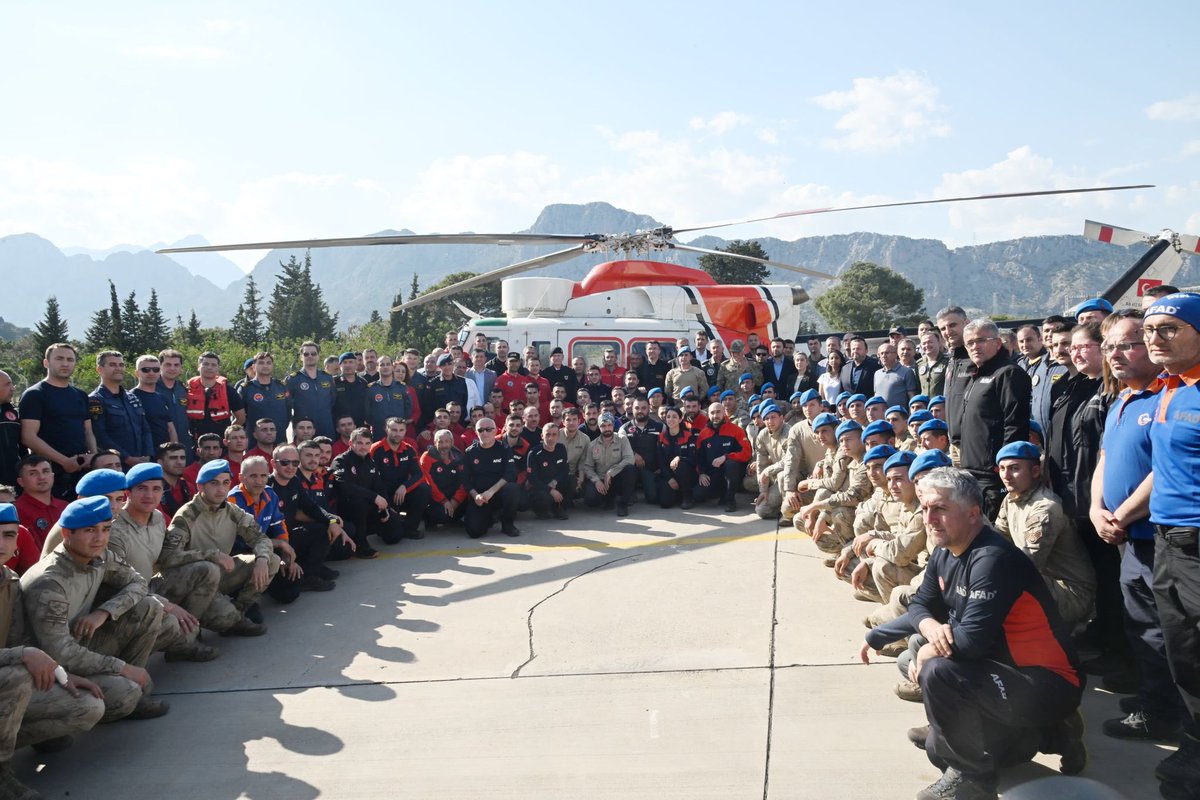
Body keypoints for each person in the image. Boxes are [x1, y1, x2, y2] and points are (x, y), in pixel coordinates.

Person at [863, 468, 1086, 799]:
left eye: (939, 508)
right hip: (1003, 670)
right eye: (924, 509)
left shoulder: (993, 559)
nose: (929, 518)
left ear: (972, 514)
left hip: (1046, 683)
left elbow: (969, 643)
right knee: (913, 664)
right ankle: (1052, 734)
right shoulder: (945, 548)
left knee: (937, 672)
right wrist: (885, 635)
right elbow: (921, 604)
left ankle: (974, 781)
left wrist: (928, 651)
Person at [1090, 310, 1186, 741]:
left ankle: (1166, 712)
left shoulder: (1167, 396)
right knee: (1142, 627)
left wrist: (1123, 513)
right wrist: (1096, 508)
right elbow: (1106, 459)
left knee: (1167, 633)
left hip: (1155, 537)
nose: (1116, 354)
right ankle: (1155, 700)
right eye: (1109, 346)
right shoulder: (1122, 400)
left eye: (1128, 344)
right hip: (1125, 536)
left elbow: (1165, 468)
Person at [22, 496, 170, 722]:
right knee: (124, 695)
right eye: (89, 530)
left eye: (105, 529)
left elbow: (139, 583)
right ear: (66, 534)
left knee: (149, 607)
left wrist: (104, 613)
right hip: (48, 668)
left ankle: (131, 689)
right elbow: (60, 653)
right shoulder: (49, 582)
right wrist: (123, 668)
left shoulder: (99, 555)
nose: (99, 538)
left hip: (79, 644)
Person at [0, 502, 106, 798]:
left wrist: (61, 673)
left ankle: (12, 736)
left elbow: (19, 640)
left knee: (87, 706)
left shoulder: (9, 581)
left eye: (9, 535)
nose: (1, 544)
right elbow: (21, 653)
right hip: (6, 677)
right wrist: (22, 656)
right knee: (17, 676)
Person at [1141, 293, 1200, 795]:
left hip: (1197, 545)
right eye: (1149, 330)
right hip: (1165, 541)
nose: (1155, 339)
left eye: (1169, 329)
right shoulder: (1168, 389)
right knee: (1182, 649)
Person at [160, 460, 280, 636]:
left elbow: (259, 538)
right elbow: (168, 557)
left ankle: (239, 612)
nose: (221, 489)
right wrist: (211, 555)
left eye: (225, 483)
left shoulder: (231, 510)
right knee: (224, 616)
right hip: (192, 582)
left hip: (220, 573)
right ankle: (190, 634)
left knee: (272, 560)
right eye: (214, 483)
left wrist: (262, 558)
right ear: (200, 486)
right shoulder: (187, 515)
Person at [994, 442, 1097, 625]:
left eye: (1014, 469)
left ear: (1035, 472)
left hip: (1070, 592)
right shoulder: (1011, 499)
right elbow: (997, 540)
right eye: (1002, 468)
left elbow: (1028, 566)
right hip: (1045, 581)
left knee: (1004, 584)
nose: (1006, 476)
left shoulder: (1044, 508)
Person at [953, 319, 1031, 519]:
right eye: (969, 343)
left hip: (994, 476)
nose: (974, 347)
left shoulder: (1009, 373)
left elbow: (1015, 424)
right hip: (971, 473)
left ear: (997, 343)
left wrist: (1004, 467)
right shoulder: (974, 376)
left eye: (981, 340)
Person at [19, 343, 97, 500]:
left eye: (70, 359)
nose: (65, 363)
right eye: (59, 358)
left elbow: (88, 431)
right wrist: (64, 461)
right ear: (46, 363)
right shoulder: (34, 394)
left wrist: (93, 456)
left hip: (82, 469)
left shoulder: (80, 395)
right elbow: (28, 436)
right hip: (51, 472)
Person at [370, 418, 431, 541]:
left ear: (405, 431)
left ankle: (410, 528)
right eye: (393, 430)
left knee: (424, 489)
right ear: (386, 429)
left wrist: (404, 487)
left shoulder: (409, 449)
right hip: (383, 498)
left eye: (401, 430)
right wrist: (384, 501)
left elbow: (418, 474)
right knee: (392, 538)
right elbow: (370, 479)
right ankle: (393, 524)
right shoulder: (375, 450)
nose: (397, 433)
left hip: (402, 494)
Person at [462, 417, 520, 538]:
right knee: (474, 532)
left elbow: (511, 474)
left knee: (512, 489)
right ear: (476, 432)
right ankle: (490, 517)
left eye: (489, 429)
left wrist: (491, 491)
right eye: (481, 430)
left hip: (498, 493)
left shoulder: (504, 449)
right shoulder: (469, 452)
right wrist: (475, 495)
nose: (485, 433)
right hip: (480, 497)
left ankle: (507, 524)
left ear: (495, 431)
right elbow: (465, 479)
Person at [695, 402, 751, 513]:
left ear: (724, 412)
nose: (715, 415)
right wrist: (702, 473)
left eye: (718, 412)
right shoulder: (703, 433)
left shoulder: (737, 430)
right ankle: (721, 494)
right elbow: (699, 457)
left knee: (731, 464)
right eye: (712, 413)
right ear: (708, 415)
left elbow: (747, 453)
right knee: (697, 495)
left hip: (733, 472)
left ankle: (730, 500)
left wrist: (726, 457)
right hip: (713, 473)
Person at [581, 413, 636, 516]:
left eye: (609, 425)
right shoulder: (592, 445)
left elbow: (629, 459)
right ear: (599, 427)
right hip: (602, 480)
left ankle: (623, 504)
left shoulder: (622, 439)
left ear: (613, 425)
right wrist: (596, 481)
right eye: (603, 426)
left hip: (617, 477)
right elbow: (588, 467)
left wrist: (611, 472)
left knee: (630, 469)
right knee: (590, 500)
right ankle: (609, 498)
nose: (607, 428)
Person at [185, 352, 245, 444]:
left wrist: (228, 434)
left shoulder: (228, 391)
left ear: (218, 368)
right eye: (206, 364)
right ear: (198, 367)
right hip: (195, 442)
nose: (209, 367)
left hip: (221, 442)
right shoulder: (188, 390)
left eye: (213, 365)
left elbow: (241, 417)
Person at [285, 342, 336, 438]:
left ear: (318, 356)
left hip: (326, 427)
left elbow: (333, 401)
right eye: (306, 354)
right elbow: (287, 405)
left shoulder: (327, 378)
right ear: (301, 357)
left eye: (313, 353)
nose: (310, 356)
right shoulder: (293, 379)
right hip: (304, 431)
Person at [239, 351, 291, 442]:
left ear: (272, 366)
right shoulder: (245, 389)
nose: (265, 366)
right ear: (254, 367)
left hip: (279, 438)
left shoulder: (281, 387)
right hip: (254, 440)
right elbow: (240, 416)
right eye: (261, 363)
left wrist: (281, 426)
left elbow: (288, 411)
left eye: (268, 363)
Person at [130, 355, 177, 450]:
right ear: (137, 373)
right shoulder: (130, 397)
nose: (151, 373)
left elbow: (171, 428)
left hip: (164, 454)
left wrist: (175, 450)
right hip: (142, 453)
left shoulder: (162, 398)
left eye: (155, 369)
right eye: (145, 370)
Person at [752, 404, 790, 519]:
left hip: (795, 475)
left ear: (781, 418)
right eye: (766, 418)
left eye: (773, 417)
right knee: (761, 510)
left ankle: (789, 512)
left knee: (782, 475)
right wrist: (763, 490)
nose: (770, 421)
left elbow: (788, 461)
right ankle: (785, 507)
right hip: (777, 476)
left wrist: (768, 471)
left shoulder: (789, 432)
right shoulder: (763, 435)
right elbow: (761, 463)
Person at [525, 423, 570, 520]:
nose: (551, 438)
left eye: (554, 435)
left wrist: (555, 481)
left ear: (558, 436)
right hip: (540, 486)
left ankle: (559, 508)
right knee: (543, 496)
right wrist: (550, 490)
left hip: (555, 482)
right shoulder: (534, 453)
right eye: (548, 434)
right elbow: (532, 479)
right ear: (542, 436)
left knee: (571, 480)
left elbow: (565, 470)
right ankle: (541, 510)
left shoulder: (561, 448)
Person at [155, 349, 192, 459]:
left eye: (176, 365)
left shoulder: (183, 389)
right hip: (160, 447)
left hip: (185, 446)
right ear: (160, 366)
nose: (172, 368)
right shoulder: (152, 388)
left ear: (181, 368)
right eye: (168, 364)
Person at [873, 341, 919, 408]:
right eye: (881, 353)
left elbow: (911, 395)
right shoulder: (877, 374)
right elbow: (876, 395)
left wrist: (911, 413)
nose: (884, 356)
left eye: (887, 353)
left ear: (895, 354)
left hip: (900, 415)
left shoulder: (907, 372)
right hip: (880, 415)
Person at [332, 352, 368, 428]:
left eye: (351, 362)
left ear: (356, 364)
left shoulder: (363, 382)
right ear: (340, 365)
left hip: (360, 426)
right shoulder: (334, 382)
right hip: (340, 427)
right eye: (345, 362)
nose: (348, 365)